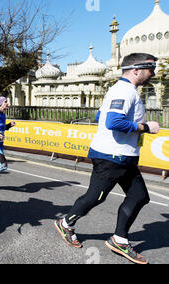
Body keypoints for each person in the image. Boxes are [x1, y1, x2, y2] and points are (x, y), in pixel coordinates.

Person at [54, 53, 160, 265]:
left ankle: (119, 239)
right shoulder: (123, 91)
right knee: (96, 197)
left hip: (125, 156)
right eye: (151, 69)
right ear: (136, 70)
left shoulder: (121, 90)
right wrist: (145, 127)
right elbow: (112, 121)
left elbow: (99, 116)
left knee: (139, 196)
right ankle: (66, 223)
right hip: (111, 157)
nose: (153, 73)